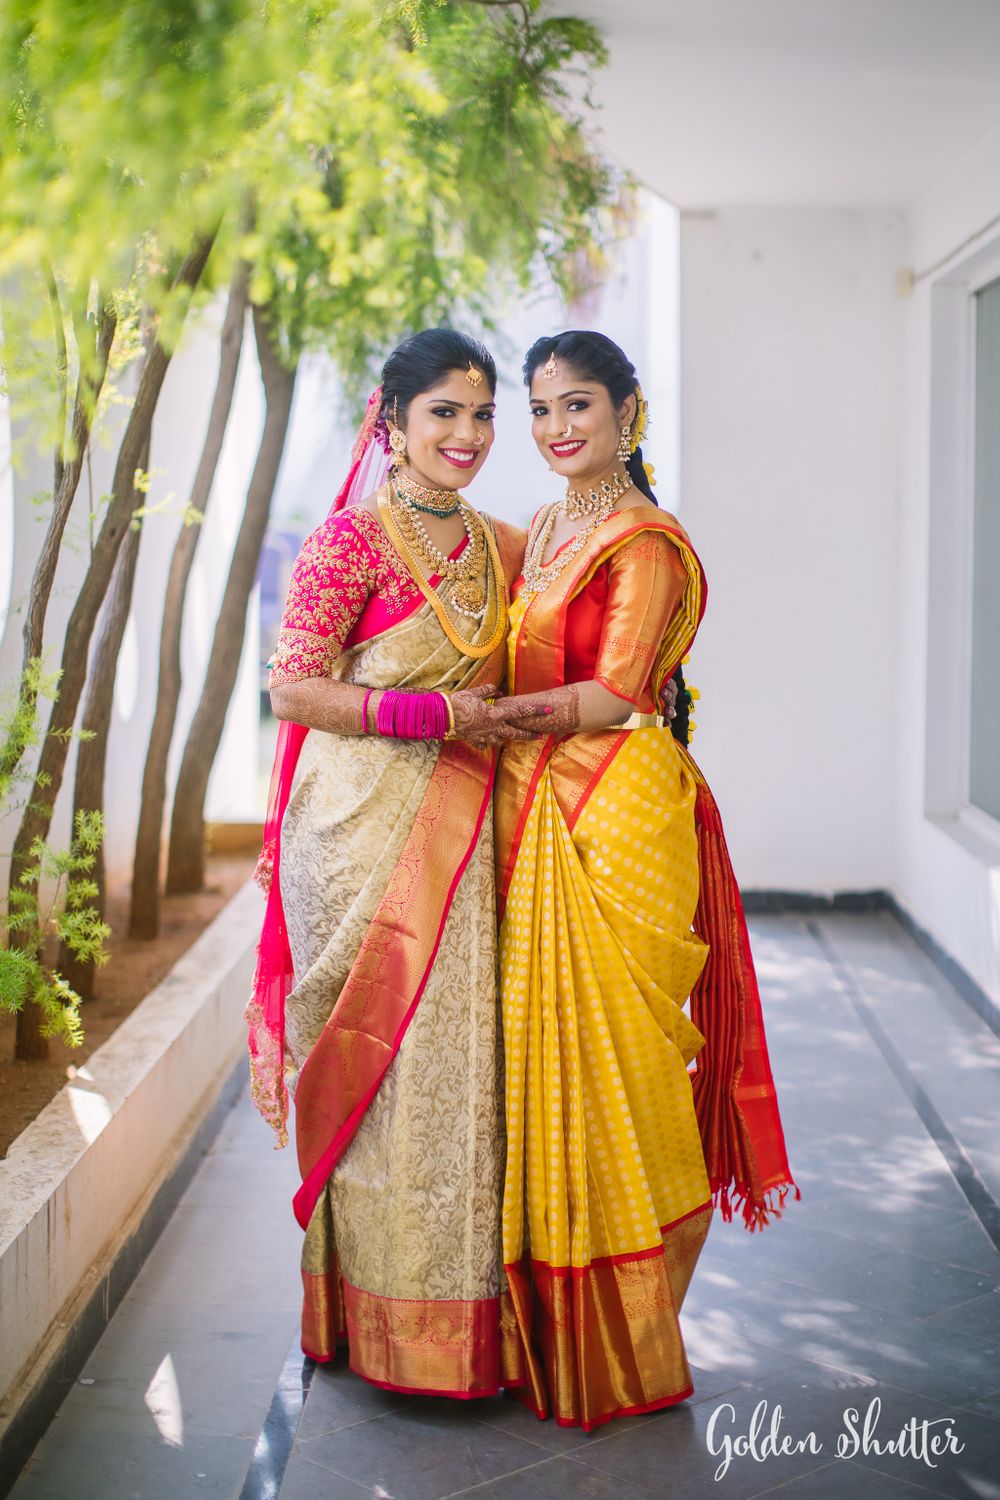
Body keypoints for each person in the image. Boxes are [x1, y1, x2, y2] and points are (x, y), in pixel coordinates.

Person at [492, 330, 797, 1431]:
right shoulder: (543, 530)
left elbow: (615, 694)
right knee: (544, 1063)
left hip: (613, 802)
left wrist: (467, 723)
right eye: (538, 409)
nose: (555, 427)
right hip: (530, 799)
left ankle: (627, 1332)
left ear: (629, 412)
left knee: (622, 1058)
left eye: (577, 404)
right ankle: (543, 1329)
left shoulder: (643, 541)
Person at [245, 329, 538, 1398]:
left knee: (462, 1076)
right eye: (444, 414)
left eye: (481, 414)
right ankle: (371, 1327)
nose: (466, 435)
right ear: (395, 424)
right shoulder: (348, 544)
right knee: (380, 1074)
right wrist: (430, 711)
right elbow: (293, 689)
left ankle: (463, 1322)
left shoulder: (508, 545)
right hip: (359, 831)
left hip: (467, 834)